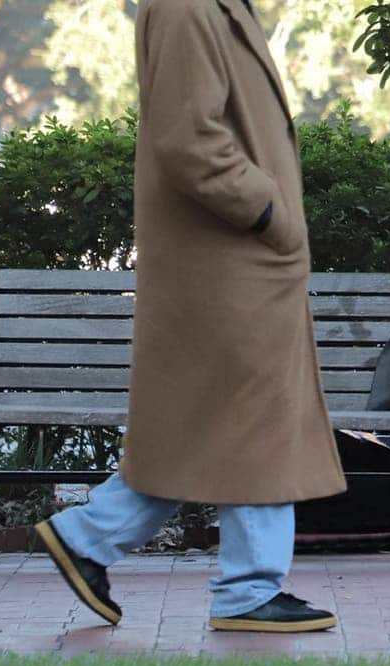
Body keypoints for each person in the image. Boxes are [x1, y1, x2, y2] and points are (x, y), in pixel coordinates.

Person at [32, 0, 346, 633]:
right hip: (228, 258)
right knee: (252, 414)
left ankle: (94, 540)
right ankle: (243, 589)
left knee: (226, 417)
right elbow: (189, 139)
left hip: (236, 261)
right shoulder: (186, 6)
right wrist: (267, 211)